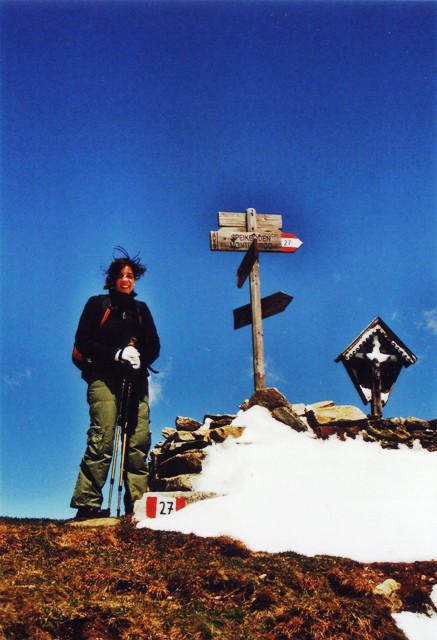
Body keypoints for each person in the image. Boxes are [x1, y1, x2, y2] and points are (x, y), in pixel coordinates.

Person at [70, 248, 160, 519]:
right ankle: (87, 504)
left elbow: (154, 345)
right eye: (120, 276)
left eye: (130, 276)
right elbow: (83, 341)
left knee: (137, 439)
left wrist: (139, 360)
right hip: (103, 378)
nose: (125, 280)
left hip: (136, 380)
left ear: (135, 280)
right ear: (111, 279)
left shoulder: (141, 310)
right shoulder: (98, 304)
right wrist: (116, 354)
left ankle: (137, 505)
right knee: (103, 437)